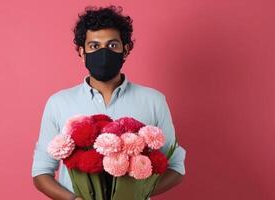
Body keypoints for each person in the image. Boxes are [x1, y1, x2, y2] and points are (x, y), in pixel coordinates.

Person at [31, 5, 186, 200]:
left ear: (126, 50)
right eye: (94, 46)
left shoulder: (153, 100)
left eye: (112, 45)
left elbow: (176, 167)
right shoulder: (59, 103)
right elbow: (40, 172)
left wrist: (135, 194)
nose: (103, 54)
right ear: (81, 52)